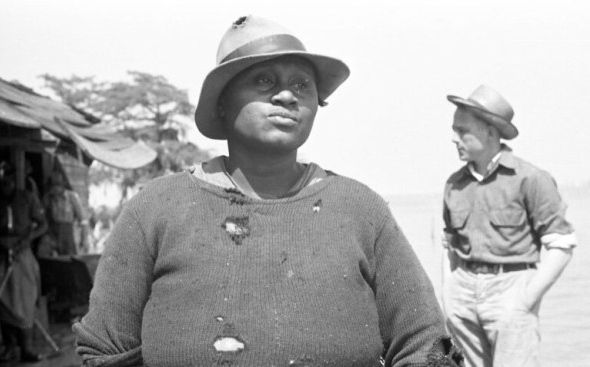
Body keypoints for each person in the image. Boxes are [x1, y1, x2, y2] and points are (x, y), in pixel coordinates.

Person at [74, 15, 463, 366]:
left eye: (301, 85)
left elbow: (424, 345)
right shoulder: (155, 210)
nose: (287, 95)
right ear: (223, 102)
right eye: (264, 80)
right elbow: (104, 352)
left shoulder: (360, 210)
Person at [441, 85, 577, 367]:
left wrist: (524, 301)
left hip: (511, 290)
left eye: (462, 130)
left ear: (490, 132)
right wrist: (448, 295)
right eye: (454, 130)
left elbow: (562, 244)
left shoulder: (530, 179)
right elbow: (448, 244)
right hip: (463, 296)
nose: (454, 139)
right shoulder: (455, 184)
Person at [0, 161, 48, 363]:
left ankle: (27, 348)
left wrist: (26, 240)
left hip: (22, 255)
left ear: (13, 178)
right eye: (1, 181)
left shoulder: (27, 198)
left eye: (8, 179)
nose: (5, 184)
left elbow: (43, 224)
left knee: (25, 300)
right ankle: (10, 347)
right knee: (2, 302)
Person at [42, 171, 89, 255]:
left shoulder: (72, 197)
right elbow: (45, 220)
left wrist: (84, 237)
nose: (54, 190)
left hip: (69, 233)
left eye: (56, 186)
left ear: (62, 186)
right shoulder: (48, 198)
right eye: (52, 187)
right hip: (54, 233)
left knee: (71, 258)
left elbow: (83, 220)